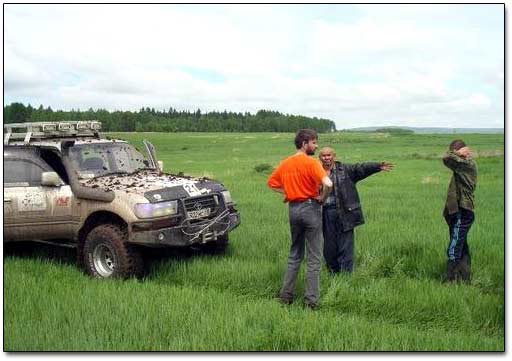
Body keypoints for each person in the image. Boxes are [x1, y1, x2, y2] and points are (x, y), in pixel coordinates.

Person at [267, 129, 332, 309]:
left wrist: (287, 191)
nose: (316, 145)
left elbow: (271, 183)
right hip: (311, 208)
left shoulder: (285, 163)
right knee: (314, 257)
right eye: (313, 142)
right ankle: (311, 302)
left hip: (293, 209)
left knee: (295, 253)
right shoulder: (311, 162)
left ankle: (285, 297)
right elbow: (328, 184)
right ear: (304, 143)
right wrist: (322, 198)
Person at [318, 147, 393, 273]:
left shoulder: (345, 170)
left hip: (344, 213)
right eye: (324, 156)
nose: (327, 158)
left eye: (329, 155)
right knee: (329, 246)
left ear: (334, 156)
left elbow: (361, 168)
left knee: (346, 245)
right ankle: (332, 273)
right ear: (319, 158)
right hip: (325, 213)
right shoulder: (316, 171)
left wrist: (377, 166)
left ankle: (346, 275)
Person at [442, 139, 477, 283]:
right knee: (461, 244)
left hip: (464, 210)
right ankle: (464, 275)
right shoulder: (462, 165)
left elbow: (446, 158)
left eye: (457, 152)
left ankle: (449, 279)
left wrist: (456, 153)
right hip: (458, 210)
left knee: (455, 244)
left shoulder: (467, 164)